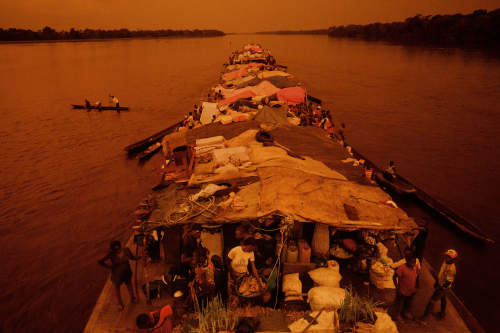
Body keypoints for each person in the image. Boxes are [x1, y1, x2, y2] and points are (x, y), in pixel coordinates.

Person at [98, 240, 139, 309]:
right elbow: (100, 261)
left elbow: (132, 257)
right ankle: (120, 303)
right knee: (117, 289)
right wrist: (109, 267)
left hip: (127, 272)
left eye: (118, 248)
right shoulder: (111, 254)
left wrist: (139, 257)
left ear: (120, 246)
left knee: (129, 284)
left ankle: (132, 298)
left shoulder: (126, 250)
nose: (117, 250)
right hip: (117, 274)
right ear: (112, 249)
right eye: (115, 249)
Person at [422, 249, 458, 320]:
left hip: (443, 287)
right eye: (446, 256)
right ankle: (442, 313)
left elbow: (448, 281)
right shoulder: (445, 262)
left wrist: (440, 288)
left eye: (449, 257)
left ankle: (424, 318)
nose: (447, 258)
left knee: (432, 300)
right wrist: (437, 281)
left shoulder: (452, 269)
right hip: (441, 284)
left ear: (453, 260)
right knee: (443, 298)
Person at [392, 248, 420, 321]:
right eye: (412, 262)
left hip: (411, 290)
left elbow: (416, 276)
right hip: (402, 290)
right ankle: (397, 315)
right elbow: (394, 277)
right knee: (399, 303)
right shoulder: (402, 268)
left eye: (414, 262)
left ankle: (406, 313)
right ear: (407, 261)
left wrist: (416, 286)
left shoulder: (415, 267)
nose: (413, 264)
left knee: (408, 302)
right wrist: (397, 287)